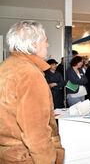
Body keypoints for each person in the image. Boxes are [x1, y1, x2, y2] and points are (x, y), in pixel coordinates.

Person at [0, 21, 64, 163]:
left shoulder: (6, 66)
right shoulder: (29, 73)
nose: (47, 45)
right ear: (34, 44)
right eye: (45, 41)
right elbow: (36, 132)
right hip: (26, 157)